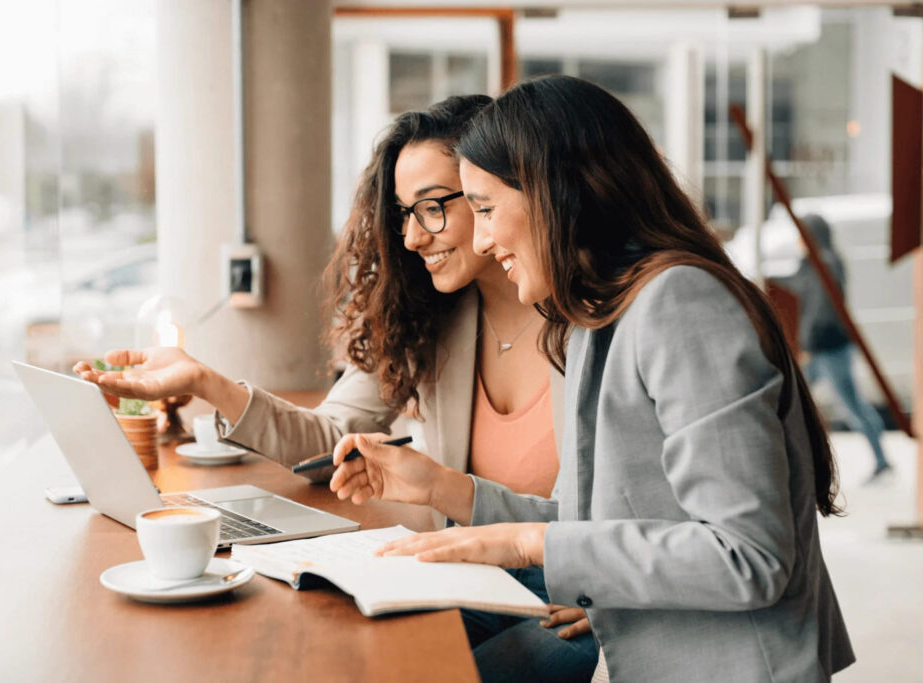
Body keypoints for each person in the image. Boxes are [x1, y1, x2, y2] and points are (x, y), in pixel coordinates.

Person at [329, 75, 854, 682]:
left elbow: (749, 557)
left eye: (486, 208)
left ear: (557, 193)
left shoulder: (680, 303)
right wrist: (449, 491)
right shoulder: (593, 318)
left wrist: (529, 547)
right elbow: (598, 522)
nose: (483, 236)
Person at [74, 95, 597, 681]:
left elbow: (639, 520)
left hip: (571, 597)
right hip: (466, 575)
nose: (411, 239)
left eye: (432, 209)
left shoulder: (592, 326)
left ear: (494, 190)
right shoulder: (435, 318)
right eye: (404, 214)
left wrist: (604, 589)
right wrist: (204, 380)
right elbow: (331, 437)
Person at [772, 213, 892, 481]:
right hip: (820, 348)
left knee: (850, 405)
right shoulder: (813, 264)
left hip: (827, 347)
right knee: (794, 400)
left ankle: (883, 462)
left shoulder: (823, 263)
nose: (797, 240)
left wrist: (809, 345)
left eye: (801, 234)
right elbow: (793, 284)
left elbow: (821, 310)